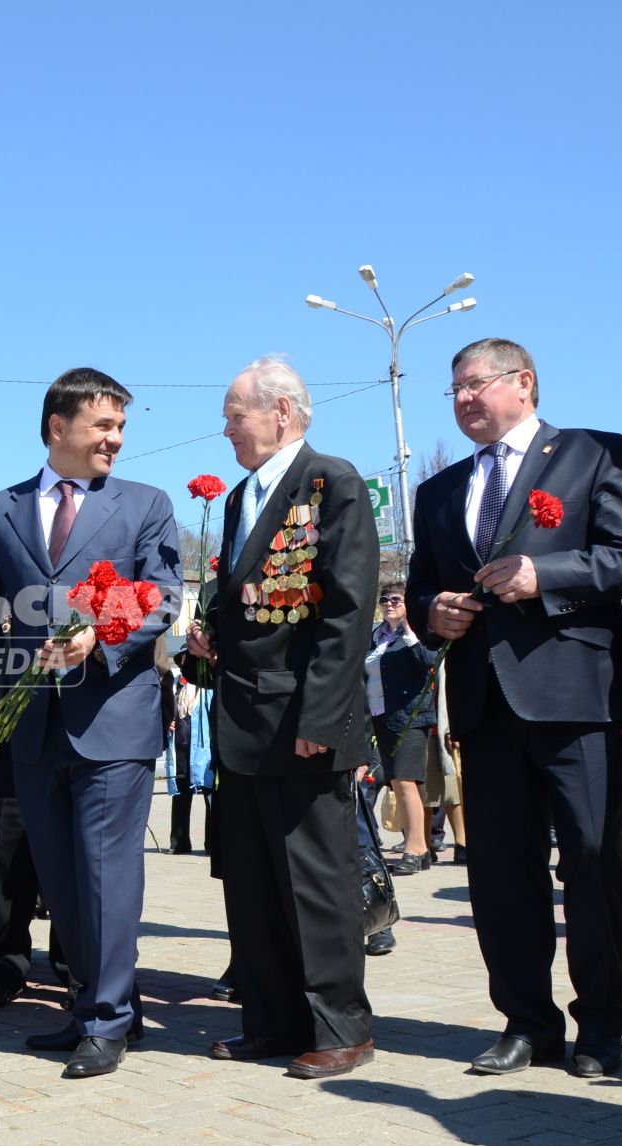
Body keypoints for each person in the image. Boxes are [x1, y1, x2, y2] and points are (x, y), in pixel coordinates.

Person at [407, 337, 622, 1080]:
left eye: (476, 385)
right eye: (454, 391)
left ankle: (602, 1023)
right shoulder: (441, 489)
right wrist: (433, 613)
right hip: (485, 706)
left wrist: (545, 573)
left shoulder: (591, 453)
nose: (464, 400)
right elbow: (422, 590)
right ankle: (526, 1021)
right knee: (502, 873)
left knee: (592, 859)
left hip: (578, 697)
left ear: (525, 383)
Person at [0, 367, 182, 1078]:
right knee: (63, 878)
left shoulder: (147, 504)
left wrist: (102, 634)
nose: (115, 438)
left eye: (121, 428)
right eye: (103, 425)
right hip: (31, 727)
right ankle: (95, 1006)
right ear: (58, 428)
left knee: (107, 874)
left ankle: (108, 1020)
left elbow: (164, 596)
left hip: (112, 721)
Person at [187, 357, 377, 1079]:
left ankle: (341, 1026)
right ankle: (269, 1021)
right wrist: (209, 636)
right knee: (253, 882)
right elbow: (247, 602)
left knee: (315, 881)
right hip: (241, 720)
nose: (227, 428)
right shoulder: (241, 498)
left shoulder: (332, 482)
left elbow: (346, 609)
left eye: (236, 414)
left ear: (283, 413)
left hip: (302, 720)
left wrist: (323, 716)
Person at [363, 584, 440, 875]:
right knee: (400, 784)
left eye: (396, 599)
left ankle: (416, 849)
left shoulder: (417, 633)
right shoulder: (375, 636)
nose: (389, 604)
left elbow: (427, 662)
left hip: (410, 718)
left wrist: (408, 631)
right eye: (384, 599)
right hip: (380, 718)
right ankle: (421, 850)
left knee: (406, 783)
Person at [164, 662, 213, 856]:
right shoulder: (175, 685)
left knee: (210, 796)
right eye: (183, 660)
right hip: (181, 749)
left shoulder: (207, 684)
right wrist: (168, 721)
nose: (186, 664)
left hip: (204, 750)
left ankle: (212, 843)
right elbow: (166, 709)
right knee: (180, 796)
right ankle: (179, 843)